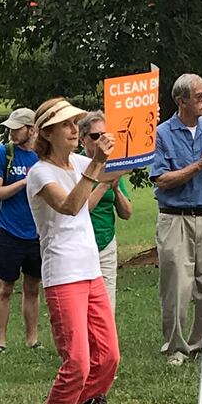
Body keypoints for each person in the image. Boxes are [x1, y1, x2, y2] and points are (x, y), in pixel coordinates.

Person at [26, 98, 122, 404]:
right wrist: (96, 164)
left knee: (109, 358)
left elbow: (121, 166)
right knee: (78, 365)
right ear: (48, 132)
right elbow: (69, 205)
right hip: (63, 275)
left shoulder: (81, 162)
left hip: (91, 271)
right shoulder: (39, 173)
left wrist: (136, 133)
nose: (74, 129)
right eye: (66, 125)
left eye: (75, 123)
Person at [149, 73, 202, 366]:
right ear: (181, 100)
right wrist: (200, 163)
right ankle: (175, 347)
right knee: (176, 288)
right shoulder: (161, 133)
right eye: (200, 96)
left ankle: (201, 344)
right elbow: (161, 179)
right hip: (175, 219)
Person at [0, 107, 43, 353]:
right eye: (9, 127)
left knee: (32, 287)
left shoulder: (43, 156)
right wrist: (24, 182)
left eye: (17, 128)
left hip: (38, 233)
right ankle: (1, 341)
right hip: (9, 232)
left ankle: (32, 339)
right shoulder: (3, 153)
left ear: (31, 129)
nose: (11, 132)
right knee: (5, 286)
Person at [78, 111, 132, 315]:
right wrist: (103, 185)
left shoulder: (112, 166)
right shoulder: (75, 165)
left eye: (104, 135)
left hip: (106, 242)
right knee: (84, 308)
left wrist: (116, 189)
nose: (101, 140)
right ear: (82, 139)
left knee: (107, 306)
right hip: (81, 244)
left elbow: (127, 213)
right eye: (94, 136)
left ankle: (105, 347)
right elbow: (81, 209)